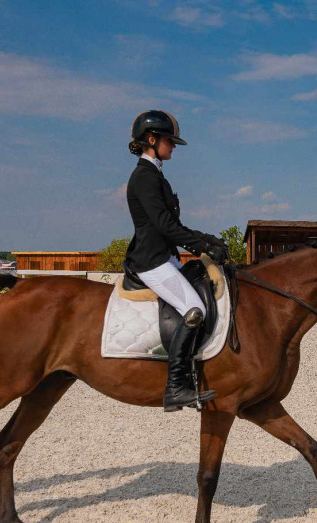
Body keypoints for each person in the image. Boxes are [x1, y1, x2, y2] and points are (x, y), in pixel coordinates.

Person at [124, 110, 229, 411]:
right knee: (194, 310)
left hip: (166, 257)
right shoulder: (144, 177)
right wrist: (201, 247)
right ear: (152, 139)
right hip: (151, 261)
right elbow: (163, 226)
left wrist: (207, 239)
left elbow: (173, 224)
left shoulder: (157, 176)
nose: (172, 147)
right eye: (169, 141)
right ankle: (176, 387)